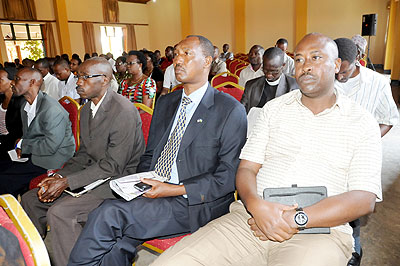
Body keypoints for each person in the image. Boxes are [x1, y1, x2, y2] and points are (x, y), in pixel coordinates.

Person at [151, 33, 382, 266]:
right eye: (299, 60)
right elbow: (246, 169)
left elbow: (364, 199)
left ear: (336, 65)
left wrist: (296, 219)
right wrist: (256, 206)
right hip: (250, 221)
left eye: (315, 57)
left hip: (321, 232)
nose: (305, 66)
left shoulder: (361, 122)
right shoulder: (274, 110)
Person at [68, 35, 247, 266]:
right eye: (177, 54)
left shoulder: (229, 110)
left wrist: (172, 190)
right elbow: (150, 155)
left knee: (109, 214)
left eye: (187, 54)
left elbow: (228, 177)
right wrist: (141, 181)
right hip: (154, 189)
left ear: (207, 62)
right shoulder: (167, 102)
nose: (178, 60)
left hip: (193, 202)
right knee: (114, 240)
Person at [21, 57, 145, 266]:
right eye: (78, 77)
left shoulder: (123, 111)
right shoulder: (87, 109)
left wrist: (67, 183)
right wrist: (58, 176)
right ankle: (38, 257)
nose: (78, 82)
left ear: (104, 80)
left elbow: (113, 166)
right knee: (31, 199)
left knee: (61, 213)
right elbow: (83, 155)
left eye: (85, 78)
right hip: (93, 174)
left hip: (116, 181)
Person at [334, 37, 399, 266]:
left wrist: (367, 140)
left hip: (359, 155)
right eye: (335, 69)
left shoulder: (377, 83)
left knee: (354, 203)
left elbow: (389, 119)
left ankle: (355, 247)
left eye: (344, 71)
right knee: (331, 198)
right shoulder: (325, 78)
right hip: (330, 151)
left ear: (358, 61)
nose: (338, 76)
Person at [0, 68, 75, 196]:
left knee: (4, 180)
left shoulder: (51, 110)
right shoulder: (25, 106)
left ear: (32, 82)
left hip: (52, 159)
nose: (12, 83)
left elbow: (51, 146)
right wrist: (21, 145)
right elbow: (28, 135)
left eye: (17, 79)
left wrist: (23, 144)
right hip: (35, 154)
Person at [240, 47, 299, 113]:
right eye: (265, 70)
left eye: (274, 71)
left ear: (283, 66)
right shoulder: (251, 85)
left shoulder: (294, 86)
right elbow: (241, 112)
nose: (268, 75)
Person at [0, 67, 25, 160]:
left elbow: (20, 131)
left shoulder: (21, 101)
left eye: (0, 80)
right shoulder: (1, 99)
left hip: (12, 143)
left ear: (12, 82)